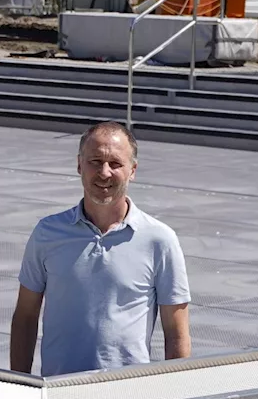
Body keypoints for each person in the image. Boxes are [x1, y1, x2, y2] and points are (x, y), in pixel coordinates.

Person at [10, 121, 191, 375]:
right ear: (79, 165)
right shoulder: (47, 233)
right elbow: (25, 317)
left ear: (133, 170)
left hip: (128, 395)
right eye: (95, 161)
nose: (104, 173)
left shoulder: (159, 240)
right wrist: (20, 385)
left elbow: (176, 332)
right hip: (58, 390)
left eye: (116, 164)